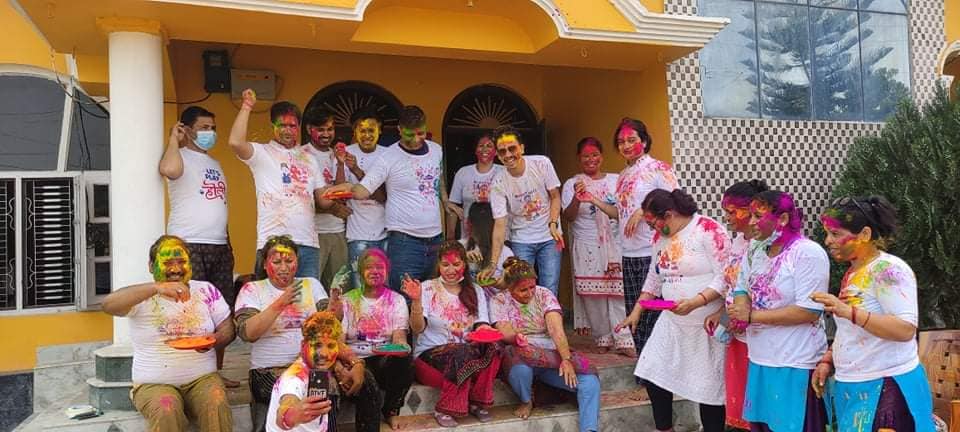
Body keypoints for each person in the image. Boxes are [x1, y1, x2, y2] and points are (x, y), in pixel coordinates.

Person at [811, 196, 934, 432]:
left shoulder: (889, 270)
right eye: (827, 233)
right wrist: (828, 360)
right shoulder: (854, 271)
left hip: (887, 389)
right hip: (855, 386)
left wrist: (848, 311)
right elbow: (851, 330)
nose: (827, 241)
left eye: (835, 234)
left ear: (865, 234)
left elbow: (905, 329)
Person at [616, 189, 730, 432]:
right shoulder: (660, 239)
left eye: (652, 222)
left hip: (705, 323)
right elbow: (654, 279)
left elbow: (726, 277)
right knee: (653, 370)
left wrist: (696, 302)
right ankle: (664, 428)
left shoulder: (708, 231)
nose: (651, 229)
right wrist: (637, 310)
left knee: (709, 387)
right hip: (672, 320)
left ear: (668, 215)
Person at [234, 236, 374, 432]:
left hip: (316, 361)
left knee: (366, 381)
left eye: (289, 261)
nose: (284, 267)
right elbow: (247, 333)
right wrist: (279, 304)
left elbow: (328, 325)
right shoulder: (252, 289)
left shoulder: (311, 284)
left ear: (297, 262)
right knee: (325, 387)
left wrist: (336, 310)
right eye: (276, 262)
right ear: (265, 264)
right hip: (269, 370)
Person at [101, 235, 234, 432]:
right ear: (151, 265)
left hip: (202, 379)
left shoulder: (206, 290)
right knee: (166, 407)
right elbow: (108, 305)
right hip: (154, 385)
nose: (176, 269)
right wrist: (157, 288)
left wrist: (216, 339)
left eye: (182, 262)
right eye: (168, 263)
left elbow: (228, 329)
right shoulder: (142, 296)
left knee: (216, 400)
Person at [726, 190, 829, 432]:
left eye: (757, 216)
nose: (751, 223)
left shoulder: (807, 253)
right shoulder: (755, 249)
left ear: (782, 220)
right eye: (750, 215)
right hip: (760, 356)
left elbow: (809, 310)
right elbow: (741, 288)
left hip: (795, 361)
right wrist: (740, 310)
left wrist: (752, 317)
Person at [324, 106, 444, 295]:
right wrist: (346, 188)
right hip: (405, 240)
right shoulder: (388, 157)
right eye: (409, 134)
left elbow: (438, 180)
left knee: (432, 296)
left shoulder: (437, 150)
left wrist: (446, 201)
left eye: (420, 133)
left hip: (436, 238)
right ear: (399, 130)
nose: (415, 140)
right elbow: (365, 190)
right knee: (403, 296)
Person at [159, 106, 239, 387]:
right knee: (192, 311)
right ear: (188, 129)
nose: (211, 133)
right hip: (189, 244)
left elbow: (219, 207)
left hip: (218, 245)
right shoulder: (178, 156)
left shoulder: (215, 164)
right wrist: (173, 139)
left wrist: (228, 245)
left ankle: (213, 373)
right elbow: (168, 170)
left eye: (213, 128)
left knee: (220, 311)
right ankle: (192, 375)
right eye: (204, 128)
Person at [227, 89, 334, 280]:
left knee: (306, 304)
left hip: (307, 244)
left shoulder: (310, 158)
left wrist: (341, 191)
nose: (287, 130)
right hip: (273, 243)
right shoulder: (261, 153)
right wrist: (247, 106)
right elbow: (235, 142)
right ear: (272, 126)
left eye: (292, 126)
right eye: (282, 125)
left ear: (299, 127)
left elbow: (323, 201)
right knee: (271, 303)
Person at [491, 257, 602, 432]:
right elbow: (504, 331)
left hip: (551, 356)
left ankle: (589, 429)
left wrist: (566, 359)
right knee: (519, 367)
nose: (529, 293)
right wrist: (517, 338)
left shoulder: (544, 294)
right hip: (521, 353)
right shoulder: (499, 300)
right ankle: (526, 401)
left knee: (590, 382)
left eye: (532, 287)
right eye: (523, 290)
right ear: (510, 289)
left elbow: (556, 329)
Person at [402, 241, 501, 428]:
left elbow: (482, 324)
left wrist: (486, 331)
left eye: (456, 264)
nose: (450, 270)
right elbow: (417, 328)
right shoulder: (427, 288)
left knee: (494, 348)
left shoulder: (476, 291)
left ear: (464, 264)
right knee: (462, 352)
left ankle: (476, 401)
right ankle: (445, 408)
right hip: (429, 359)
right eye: (445, 264)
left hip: (466, 356)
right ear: (438, 265)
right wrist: (416, 301)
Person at [703, 179, 769, 430]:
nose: (727, 218)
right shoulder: (739, 242)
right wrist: (719, 310)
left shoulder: (766, 246)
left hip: (760, 337)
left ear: (752, 211)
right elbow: (729, 279)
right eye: (726, 212)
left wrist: (741, 315)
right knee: (741, 404)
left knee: (759, 406)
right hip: (737, 335)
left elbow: (763, 291)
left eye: (732, 212)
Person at [612, 118, 680, 356]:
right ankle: (644, 369)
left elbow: (675, 199)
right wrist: (594, 201)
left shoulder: (658, 168)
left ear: (644, 140)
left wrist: (644, 210)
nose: (626, 145)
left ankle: (659, 367)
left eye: (632, 140)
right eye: (621, 142)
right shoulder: (622, 175)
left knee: (654, 310)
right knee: (634, 312)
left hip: (651, 251)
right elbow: (620, 213)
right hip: (628, 253)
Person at [561, 137, 633, 355]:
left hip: (615, 245)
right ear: (579, 159)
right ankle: (603, 337)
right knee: (594, 296)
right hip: (587, 244)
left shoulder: (616, 180)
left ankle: (624, 340)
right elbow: (569, 217)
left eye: (595, 155)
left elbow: (624, 211)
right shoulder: (571, 183)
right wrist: (576, 197)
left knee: (619, 293)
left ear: (601, 157)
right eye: (585, 156)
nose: (591, 159)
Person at [337, 248, 413, 430]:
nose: (375, 271)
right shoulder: (347, 300)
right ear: (361, 272)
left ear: (387, 271)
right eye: (369, 267)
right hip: (354, 360)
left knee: (406, 361)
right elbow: (338, 342)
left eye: (380, 267)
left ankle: (391, 410)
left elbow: (399, 337)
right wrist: (354, 362)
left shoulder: (396, 300)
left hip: (381, 359)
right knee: (367, 384)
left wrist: (402, 347)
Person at [484, 126, 563, 296]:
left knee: (550, 289)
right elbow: (500, 223)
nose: (508, 155)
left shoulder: (542, 163)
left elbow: (555, 197)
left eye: (512, 148)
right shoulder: (498, 182)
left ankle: (549, 323)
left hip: (550, 238)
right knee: (522, 290)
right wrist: (492, 263)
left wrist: (553, 223)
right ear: (498, 155)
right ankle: (529, 324)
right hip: (521, 240)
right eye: (502, 151)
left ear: (522, 148)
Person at [301, 107, 351, 290]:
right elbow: (302, 199)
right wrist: (333, 208)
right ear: (309, 129)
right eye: (320, 129)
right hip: (312, 234)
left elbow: (341, 191)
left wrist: (339, 163)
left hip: (337, 230)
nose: (326, 134)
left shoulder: (335, 154)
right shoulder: (302, 155)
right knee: (312, 288)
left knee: (339, 288)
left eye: (330, 129)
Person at [340, 108, 389, 289]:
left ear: (380, 130)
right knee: (359, 287)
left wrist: (357, 172)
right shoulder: (346, 154)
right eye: (362, 130)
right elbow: (339, 191)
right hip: (356, 235)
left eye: (371, 130)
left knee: (384, 288)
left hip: (385, 233)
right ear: (354, 132)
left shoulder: (388, 155)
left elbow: (384, 196)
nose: (367, 135)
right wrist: (340, 164)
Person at [266, 311, 338, 432]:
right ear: (303, 345)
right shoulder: (294, 378)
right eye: (317, 345)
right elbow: (288, 401)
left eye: (330, 346)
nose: (325, 353)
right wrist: (289, 416)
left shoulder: (316, 368)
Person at [446, 133, 503, 241]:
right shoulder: (463, 173)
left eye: (489, 146)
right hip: (469, 238)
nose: (484, 149)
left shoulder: (503, 172)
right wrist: (450, 238)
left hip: (497, 239)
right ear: (476, 150)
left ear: (496, 152)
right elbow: (453, 207)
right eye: (481, 146)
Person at [461, 202, 513, 296]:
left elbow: (512, 285)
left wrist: (500, 283)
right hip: (469, 302)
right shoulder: (460, 247)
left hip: (497, 304)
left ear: (468, 224)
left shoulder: (506, 253)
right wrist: (461, 257)